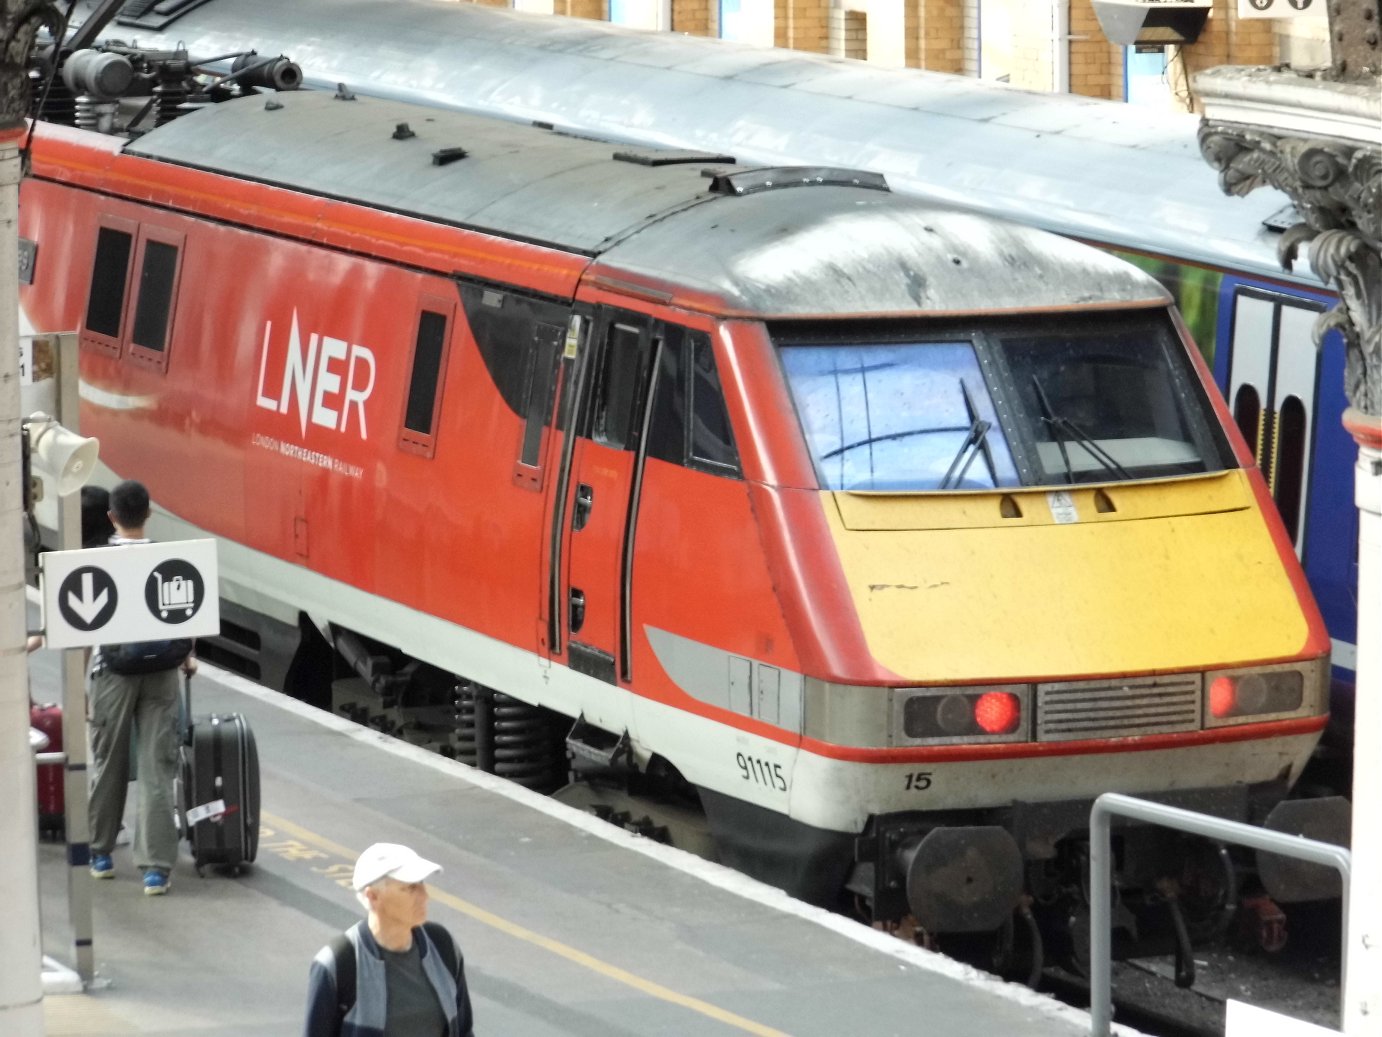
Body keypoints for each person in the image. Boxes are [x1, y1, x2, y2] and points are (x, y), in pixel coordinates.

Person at [87, 479, 196, 895]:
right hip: (162, 672)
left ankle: (100, 853)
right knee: (157, 768)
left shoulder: (97, 560)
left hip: (112, 671)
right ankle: (155, 869)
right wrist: (187, 657)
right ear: (148, 514)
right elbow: (187, 614)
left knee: (109, 762)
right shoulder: (168, 558)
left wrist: (82, 686)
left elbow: (85, 626)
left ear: (112, 517)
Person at [304, 843, 474, 1037]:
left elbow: (464, 1030)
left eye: (422, 885)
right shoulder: (338, 964)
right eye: (410, 888)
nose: (424, 896)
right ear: (373, 896)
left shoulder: (442, 946)